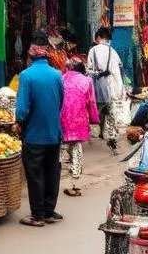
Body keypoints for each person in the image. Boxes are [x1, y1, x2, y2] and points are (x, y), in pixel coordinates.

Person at [15, 33, 65, 227]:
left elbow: (22, 109)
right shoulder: (56, 75)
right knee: (52, 171)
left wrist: (19, 122)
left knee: (35, 174)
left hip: (34, 134)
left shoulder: (26, 76)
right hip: (53, 132)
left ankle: (38, 215)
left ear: (31, 53)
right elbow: (60, 101)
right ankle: (49, 211)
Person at [60, 58, 99, 197]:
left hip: (61, 120)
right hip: (78, 120)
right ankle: (74, 183)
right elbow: (91, 102)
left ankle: (60, 183)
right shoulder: (86, 81)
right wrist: (95, 119)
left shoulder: (60, 78)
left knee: (62, 151)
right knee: (76, 150)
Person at [87, 27, 125, 153]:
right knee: (109, 111)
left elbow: (89, 70)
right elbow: (117, 70)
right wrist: (120, 89)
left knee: (96, 109)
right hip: (110, 84)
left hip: (96, 83)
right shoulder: (112, 51)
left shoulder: (92, 50)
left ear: (98, 37)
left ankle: (96, 132)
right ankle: (111, 136)